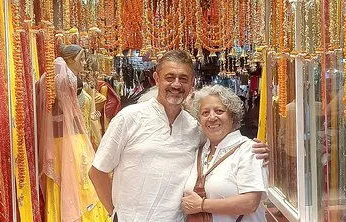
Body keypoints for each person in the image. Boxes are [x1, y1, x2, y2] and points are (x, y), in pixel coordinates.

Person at [89, 49, 268, 222]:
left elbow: (223, 146)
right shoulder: (129, 118)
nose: (176, 85)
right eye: (170, 77)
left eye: (183, 79)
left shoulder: (195, 128)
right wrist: (115, 214)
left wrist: (258, 151)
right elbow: (97, 172)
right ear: (156, 79)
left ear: (192, 83)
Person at [38, 44, 108, 222]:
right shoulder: (69, 81)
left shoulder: (48, 79)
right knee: (80, 181)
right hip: (74, 140)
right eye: (81, 59)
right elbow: (87, 115)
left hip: (58, 142)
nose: (84, 63)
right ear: (70, 60)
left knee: (66, 181)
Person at [181, 85, 267, 222]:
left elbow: (250, 203)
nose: (212, 117)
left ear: (232, 116)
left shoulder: (248, 150)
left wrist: (201, 205)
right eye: (205, 113)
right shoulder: (200, 151)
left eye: (219, 111)